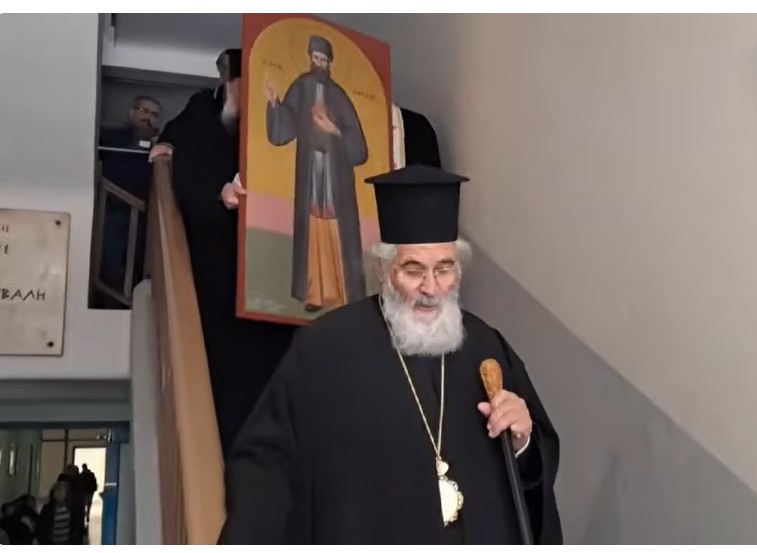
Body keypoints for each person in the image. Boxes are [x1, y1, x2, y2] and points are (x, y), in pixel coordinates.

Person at [218, 165, 562, 544]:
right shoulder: (325, 350)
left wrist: (522, 444)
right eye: (414, 271)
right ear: (384, 271)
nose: (431, 288)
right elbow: (267, 464)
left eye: (444, 270)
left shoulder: (485, 347)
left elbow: (530, 479)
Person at [152, 48, 297, 455]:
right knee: (235, 372)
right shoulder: (202, 110)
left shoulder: (272, 113)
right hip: (223, 264)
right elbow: (186, 156)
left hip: (272, 262)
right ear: (226, 81)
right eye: (238, 83)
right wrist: (219, 191)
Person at [264, 35, 369, 312]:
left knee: (335, 223)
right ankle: (314, 293)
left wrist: (334, 130)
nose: (319, 63)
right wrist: (274, 104)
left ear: (330, 62)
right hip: (310, 166)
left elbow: (358, 145)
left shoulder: (339, 95)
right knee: (312, 223)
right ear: (310, 58)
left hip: (336, 172)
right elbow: (285, 125)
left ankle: (341, 293)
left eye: (323, 59)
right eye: (315, 58)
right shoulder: (301, 86)